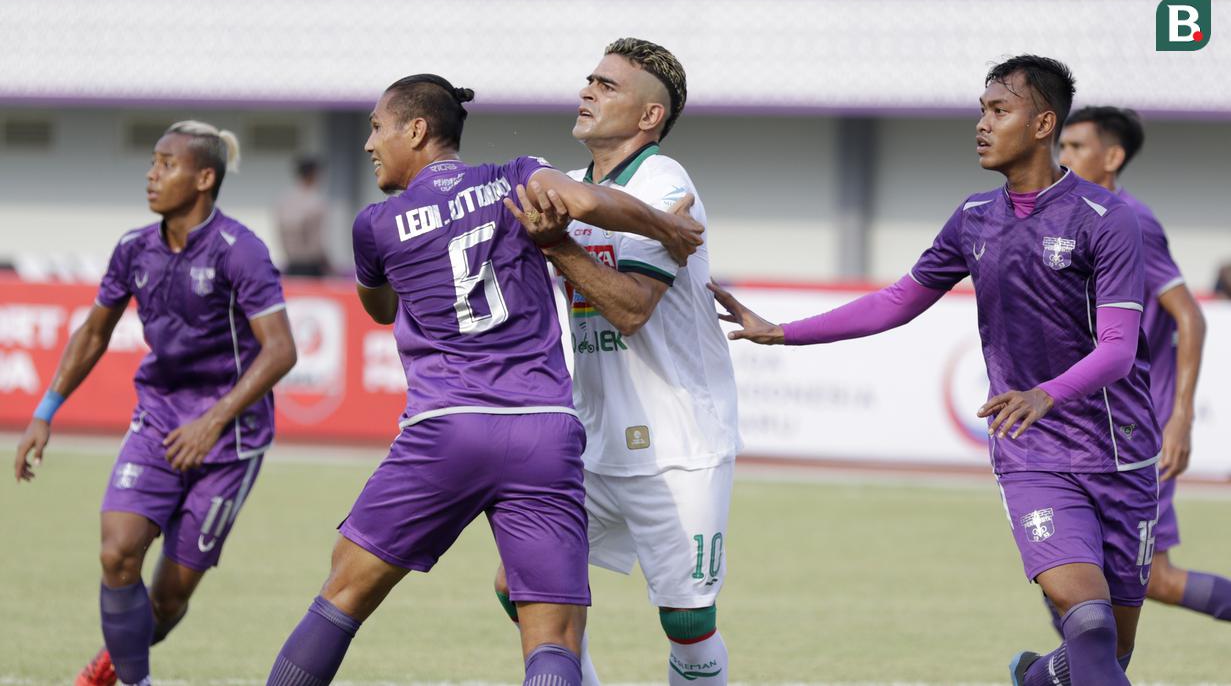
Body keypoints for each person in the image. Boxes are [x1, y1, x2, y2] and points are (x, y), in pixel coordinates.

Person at [712, 56, 1157, 686]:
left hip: (1121, 453)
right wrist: (783, 332)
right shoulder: (975, 218)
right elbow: (897, 300)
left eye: (999, 110)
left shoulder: (1106, 222)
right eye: (982, 109)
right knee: (1087, 623)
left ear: (1042, 124)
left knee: (1109, 656)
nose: (981, 123)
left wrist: (1045, 392)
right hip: (1035, 455)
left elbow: (1117, 349)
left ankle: (1033, 679)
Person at [265, 74, 704, 686]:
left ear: (415, 130)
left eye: (376, 128)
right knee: (552, 640)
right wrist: (667, 226)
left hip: (446, 428)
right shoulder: (513, 176)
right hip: (543, 433)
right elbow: (581, 201)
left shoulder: (375, 225)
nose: (369, 144)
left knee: (341, 595)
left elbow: (381, 307)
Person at [14, 121, 298, 686]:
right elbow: (92, 334)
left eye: (167, 164)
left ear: (204, 178)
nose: (151, 173)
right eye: (152, 161)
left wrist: (211, 422)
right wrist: (44, 413)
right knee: (118, 552)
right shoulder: (133, 249)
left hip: (229, 441)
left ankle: (113, 661)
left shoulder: (240, 251)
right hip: (157, 421)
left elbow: (282, 351)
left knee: (167, 601)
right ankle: (131, 678)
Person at [498, 37, 741, 686]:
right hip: (592, 435)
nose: (586, 92)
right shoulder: (570, 188)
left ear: (647, 118)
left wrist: (554, 246)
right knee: (519, 588)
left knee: (686, 623)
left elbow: (631, 309)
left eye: (607, 86)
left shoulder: (665, 183)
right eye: (588, 80)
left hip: (678, 441)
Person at [1057, 106, 1225, 622]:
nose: (1062, 158)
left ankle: (1057, 673)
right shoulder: (1076, 217)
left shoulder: (1132, 219)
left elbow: (1190, 317)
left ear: (1112, 157)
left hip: (1140, 427)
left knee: (1148, 577)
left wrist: (1180, 418)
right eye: (1060, 147)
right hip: (1099, 428)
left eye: (1076, 148)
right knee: (1084, 567)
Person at [273, 156, 331, 277]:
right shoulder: (315, 202)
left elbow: (280, 234)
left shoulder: (284, 201)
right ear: (313, 175)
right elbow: (317, 243)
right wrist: (328, 266)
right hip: (312, 267)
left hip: (291, 265)